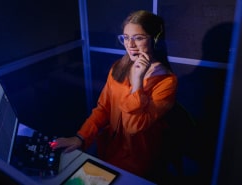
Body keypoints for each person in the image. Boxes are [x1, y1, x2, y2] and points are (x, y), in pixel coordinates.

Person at [52, 10, 178, 180]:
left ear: (154, 40)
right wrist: (81, 137)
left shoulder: (167, 82)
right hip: (109, 146)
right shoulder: (118, 67)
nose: (130, 44)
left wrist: (137, 83)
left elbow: (133, 127)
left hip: (139, 157)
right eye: (126, 37)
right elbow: (103, 108)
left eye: (138, 38)